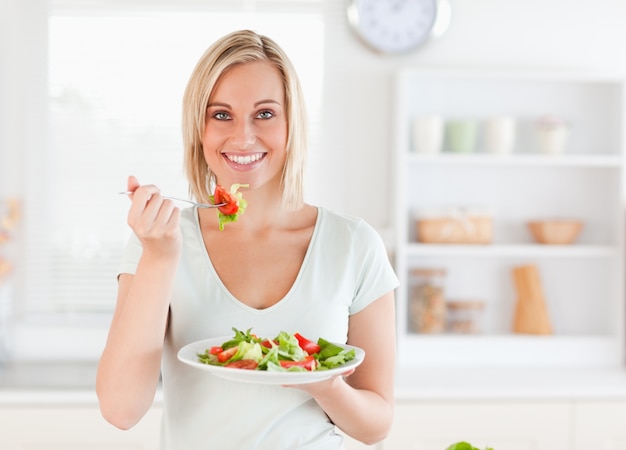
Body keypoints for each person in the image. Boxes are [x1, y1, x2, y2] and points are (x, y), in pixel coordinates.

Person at [96, 29, 398, 450]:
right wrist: (161, 257)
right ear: (198, 128)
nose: (242, 137)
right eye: (221, 115)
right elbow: (120, 409)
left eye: (265, 113)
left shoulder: (353, 245)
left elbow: (377, 424)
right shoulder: (159, 240)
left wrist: (326, 386)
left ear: (292, 124)